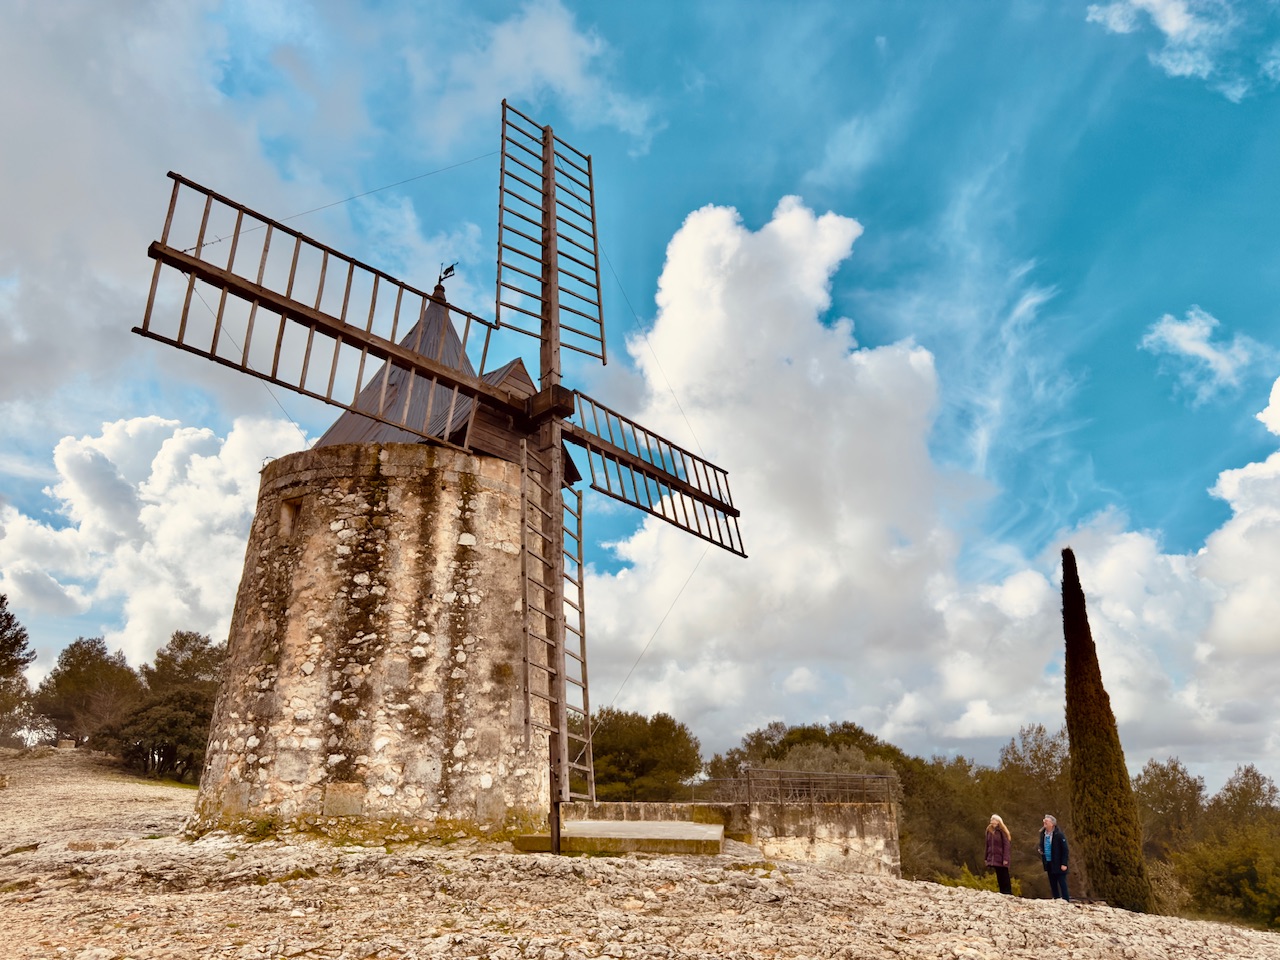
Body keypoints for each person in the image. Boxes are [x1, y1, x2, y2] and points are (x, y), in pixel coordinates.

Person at [1038, 814, 1070, 901]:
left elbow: (1065, 850)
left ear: (1052, 824)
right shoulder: (1043, 834)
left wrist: (1064, 863)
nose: (1044, 822)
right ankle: (1056, 899)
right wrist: (1041, 849)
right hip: (1048, 862)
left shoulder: (1059, 835)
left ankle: (1066, 901)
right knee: (1052, 883)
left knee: (1062, 883)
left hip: (1059, 863)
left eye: (1046, 821)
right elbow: (1042, 845)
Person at [985, 814, 1013, 894]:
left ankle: (1007, 891)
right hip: (993, 857)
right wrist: (986, 857)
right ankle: (1002, 891)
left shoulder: (1002, 831)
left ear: (998, 821)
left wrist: (1005, 858)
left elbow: (1006, 845)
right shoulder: (989, 831)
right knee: (999, 874)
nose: (992, 821)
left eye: (994, 819)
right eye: (991, 819)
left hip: (1001, 856)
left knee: (1004, 874)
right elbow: (987, 845)